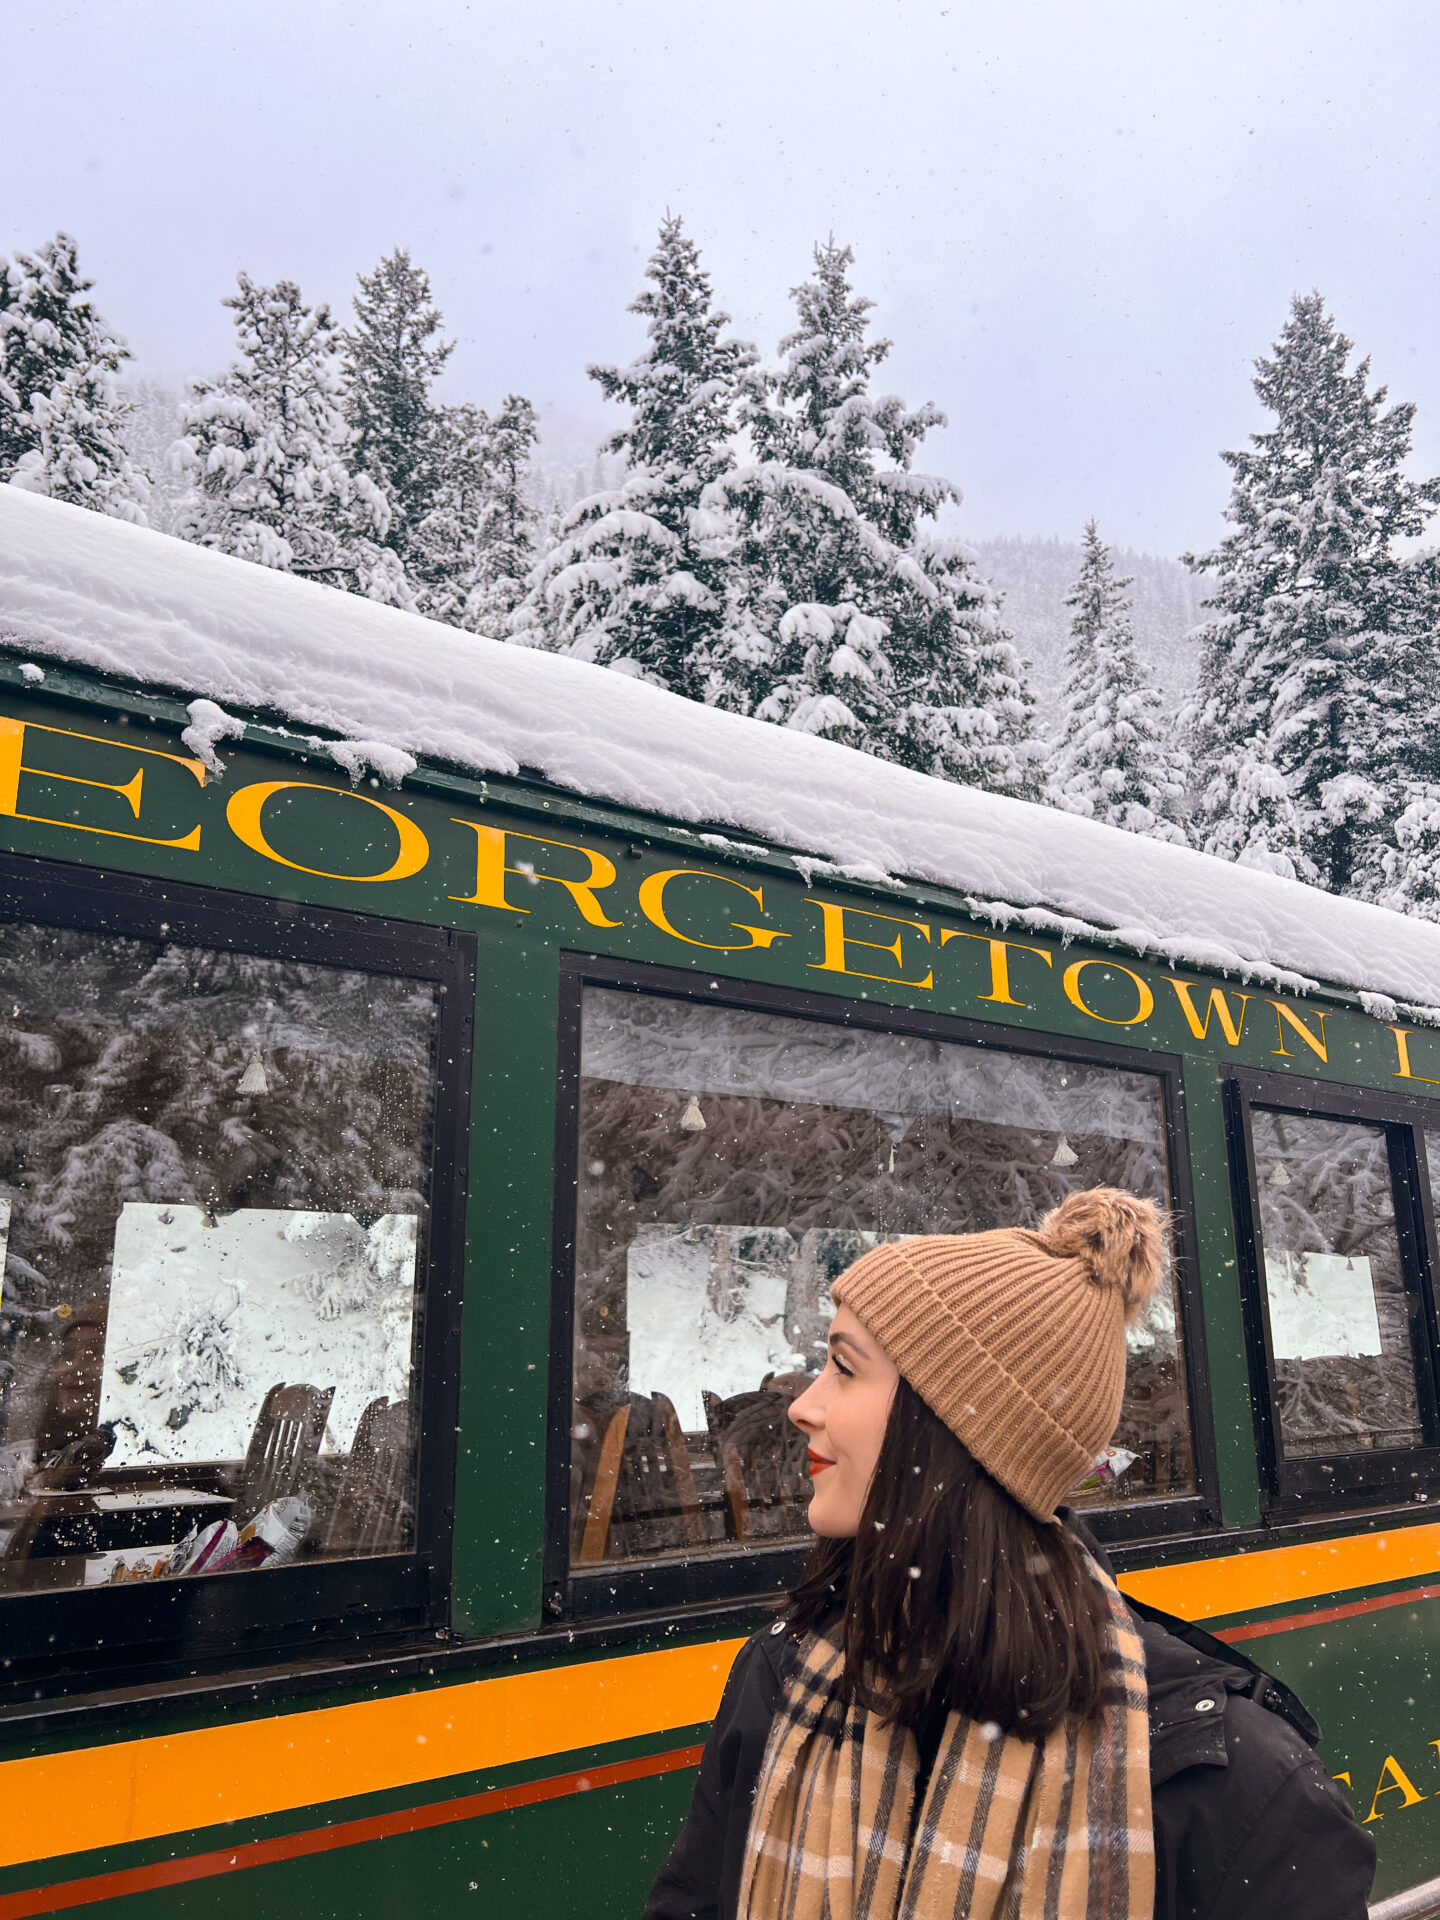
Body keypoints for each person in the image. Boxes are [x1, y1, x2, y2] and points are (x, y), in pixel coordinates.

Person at [643, 1188, 1375, 1920]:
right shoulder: (780, 1674)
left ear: (959, 1433)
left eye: (844, 1367)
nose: (802, 1403)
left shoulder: (1230, 1783)